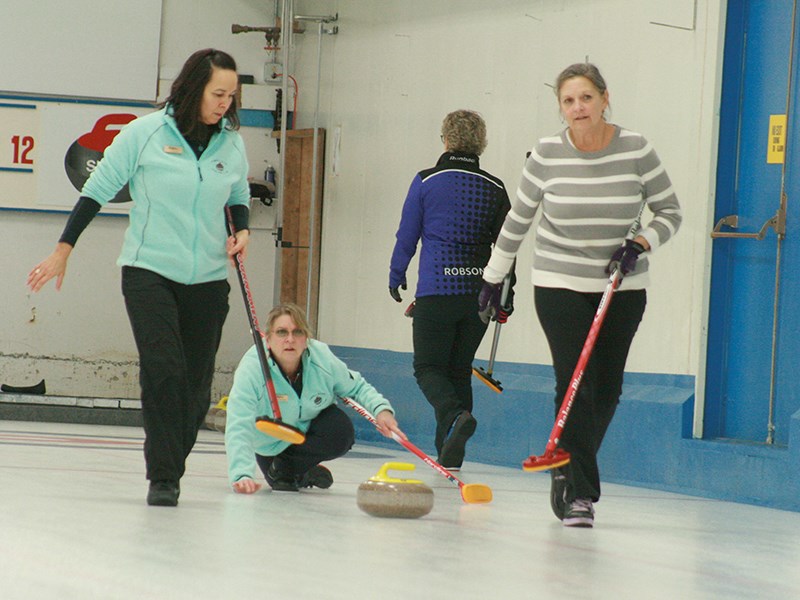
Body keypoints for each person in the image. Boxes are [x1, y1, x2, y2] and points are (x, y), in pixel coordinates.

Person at [27, 49, 252, 507]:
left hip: (208, 279)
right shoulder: (144, 133)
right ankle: (164, 477)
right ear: (193, 90)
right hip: (150, 271)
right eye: (217, 93)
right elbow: (97, 188)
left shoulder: (231, 142)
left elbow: (238, 191)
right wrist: (63, 249)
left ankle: (172, 460)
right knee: (164, 368)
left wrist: (242, 228)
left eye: (231, 95)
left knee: (195, 388)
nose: (225, 103)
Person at [479, 63, 682, 528]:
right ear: (561, 107)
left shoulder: (636, 149)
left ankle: (565, 461)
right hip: (559, 282)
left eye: (586, 98)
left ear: (605, 99)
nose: (578, 108)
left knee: (606, 391)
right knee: (575, 382)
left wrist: (642, 242)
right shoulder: (547, 154)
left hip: (622, 286)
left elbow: (670, 211)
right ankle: (581, 494)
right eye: (569, 101)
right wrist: (494, 276)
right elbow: (518, 220)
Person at [389, 110, 512, 471]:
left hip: (437, 290)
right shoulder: (496, 187)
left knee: (427, 367)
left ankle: (455, 416)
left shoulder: (427, 181)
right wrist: (508, 295)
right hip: (480, 296)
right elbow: (508, 246)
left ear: (445, 139)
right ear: (482, 144)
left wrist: (397, 273)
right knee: (458, 370)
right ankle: (449, 451)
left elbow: (407, 233)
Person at [225, 303, 405, 493]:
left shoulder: (322, 359)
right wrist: (242, 474)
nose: (290, 339)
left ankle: (287, 469)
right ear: (268, 339)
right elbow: (239, 422)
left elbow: (357, 386)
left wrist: (381, 410)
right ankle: (294, 473)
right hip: (269, 443)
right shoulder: (252, 369)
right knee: (283, 484)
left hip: (304, 434)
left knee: (340, 431)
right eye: (281, 332)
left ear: (307, 339)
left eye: (298, 332)